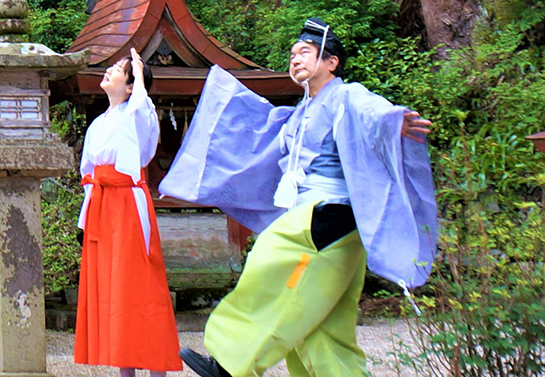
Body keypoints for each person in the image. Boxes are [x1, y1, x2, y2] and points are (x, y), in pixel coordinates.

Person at [162, 19, 436, 377]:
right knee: (321, 330)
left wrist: (393, 122)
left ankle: (229, 364)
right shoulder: (299, 113)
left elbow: (373, 111)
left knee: (267, 256)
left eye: (304, 52)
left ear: (331, 62)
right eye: (291, 54)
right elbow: (261, 138)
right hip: (324, 225)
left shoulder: (346, 95)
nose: (295, 60)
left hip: (328, 216)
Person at [74, 49, 181, 376]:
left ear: (133, 86)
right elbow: (88, 172)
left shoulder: (140, 116)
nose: (108, 72)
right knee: (114, 289)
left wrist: (139, 71)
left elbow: (141, 111)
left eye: (119, 70)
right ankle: (125, 371)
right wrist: (85, 216)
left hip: (128, 205)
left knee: (139, 286)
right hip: (102, 206)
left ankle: (156, 368)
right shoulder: (98, 124)